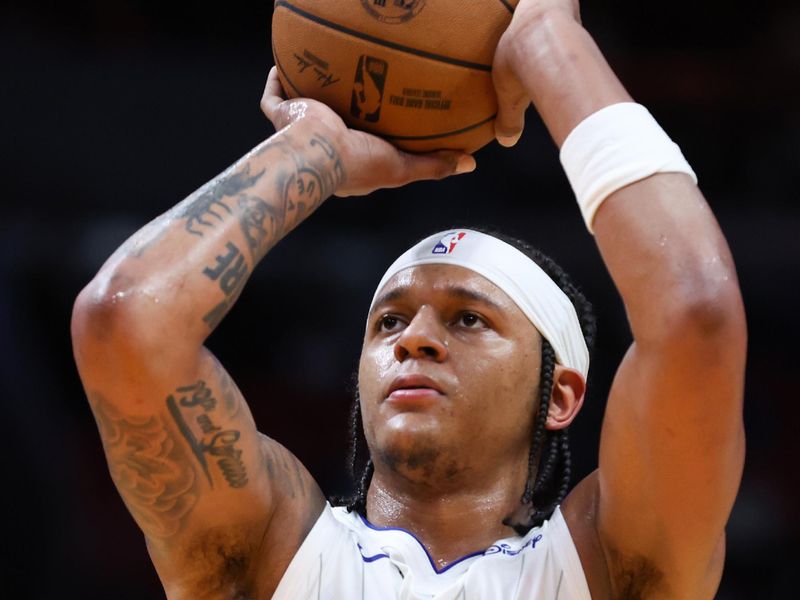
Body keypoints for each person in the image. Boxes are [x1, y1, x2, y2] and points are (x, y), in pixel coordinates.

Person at [71, 0, 746, 598]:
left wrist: (547, 38)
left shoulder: (607, 569)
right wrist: (315, 147)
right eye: (388, 320)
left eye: (469, 319)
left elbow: (697, 316)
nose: (413, 339)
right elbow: (126, 319)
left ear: (561, 394)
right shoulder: (271, 554)